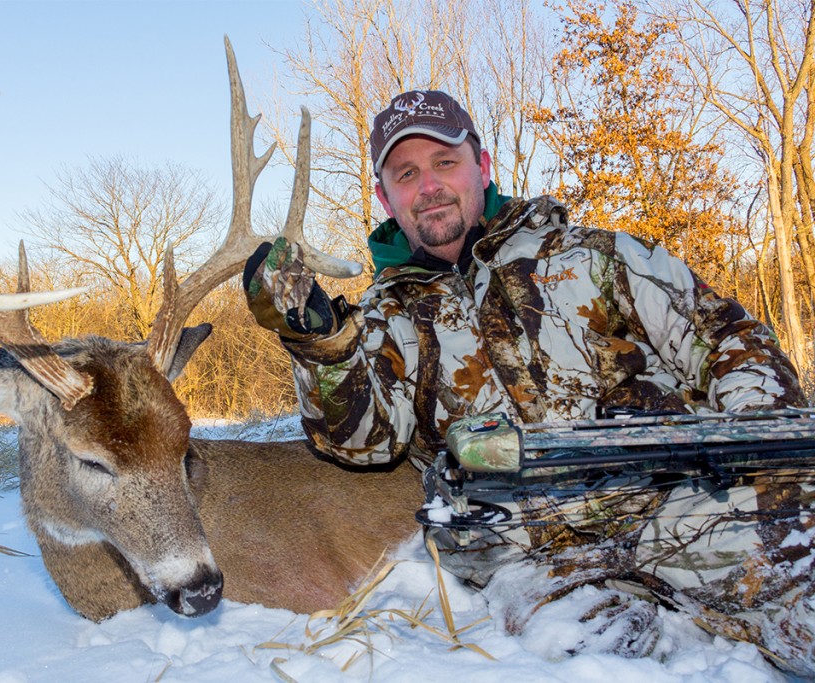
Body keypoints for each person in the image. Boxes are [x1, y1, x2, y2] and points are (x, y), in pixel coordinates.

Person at [244, 90, 815, 672]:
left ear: (482, 167)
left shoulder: (596, 258)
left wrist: (749, 452)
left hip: (694, 509)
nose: (430, 186)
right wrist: (320, 341)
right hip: (535, 566)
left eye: (446, 162)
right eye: (406, 174)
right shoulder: (382, 324)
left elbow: (729, 340)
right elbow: (363, 442)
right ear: (384, 197)